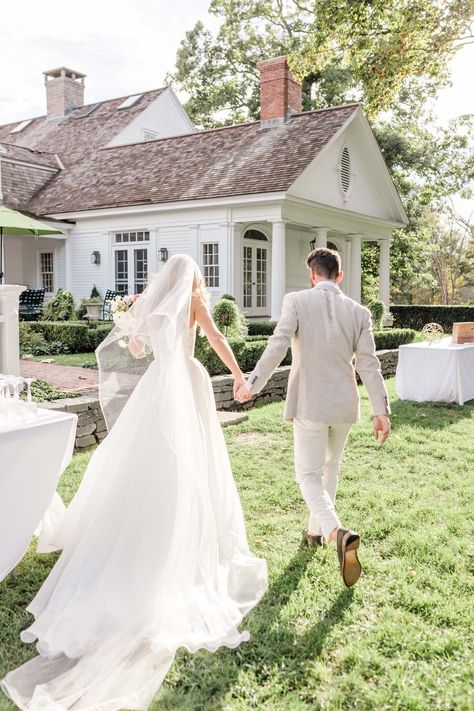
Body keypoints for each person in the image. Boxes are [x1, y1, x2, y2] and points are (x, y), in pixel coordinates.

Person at [1, 255, 267, 711]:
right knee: (194, 458)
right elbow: (217, 338)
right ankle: (189, 529)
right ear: (193, 278)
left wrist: (130, 319)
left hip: (160, 384)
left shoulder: (152, 303)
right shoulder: (194, 303)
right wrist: (240, 375)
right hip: (187, 381)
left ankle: (147, 518)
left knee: (150, 456)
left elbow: (140, 351)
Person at [236, 247, 390, 587]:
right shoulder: (359, 312)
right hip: (345, 405)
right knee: (328, 470)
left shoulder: (296, 301)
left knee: (307, 473)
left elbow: (277, 344)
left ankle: (335, 532)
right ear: (339, 275)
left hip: (309, 402)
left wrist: (253, 383)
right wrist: (381, 410)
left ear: (312, 275)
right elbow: (369, 363)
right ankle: (313, 531)